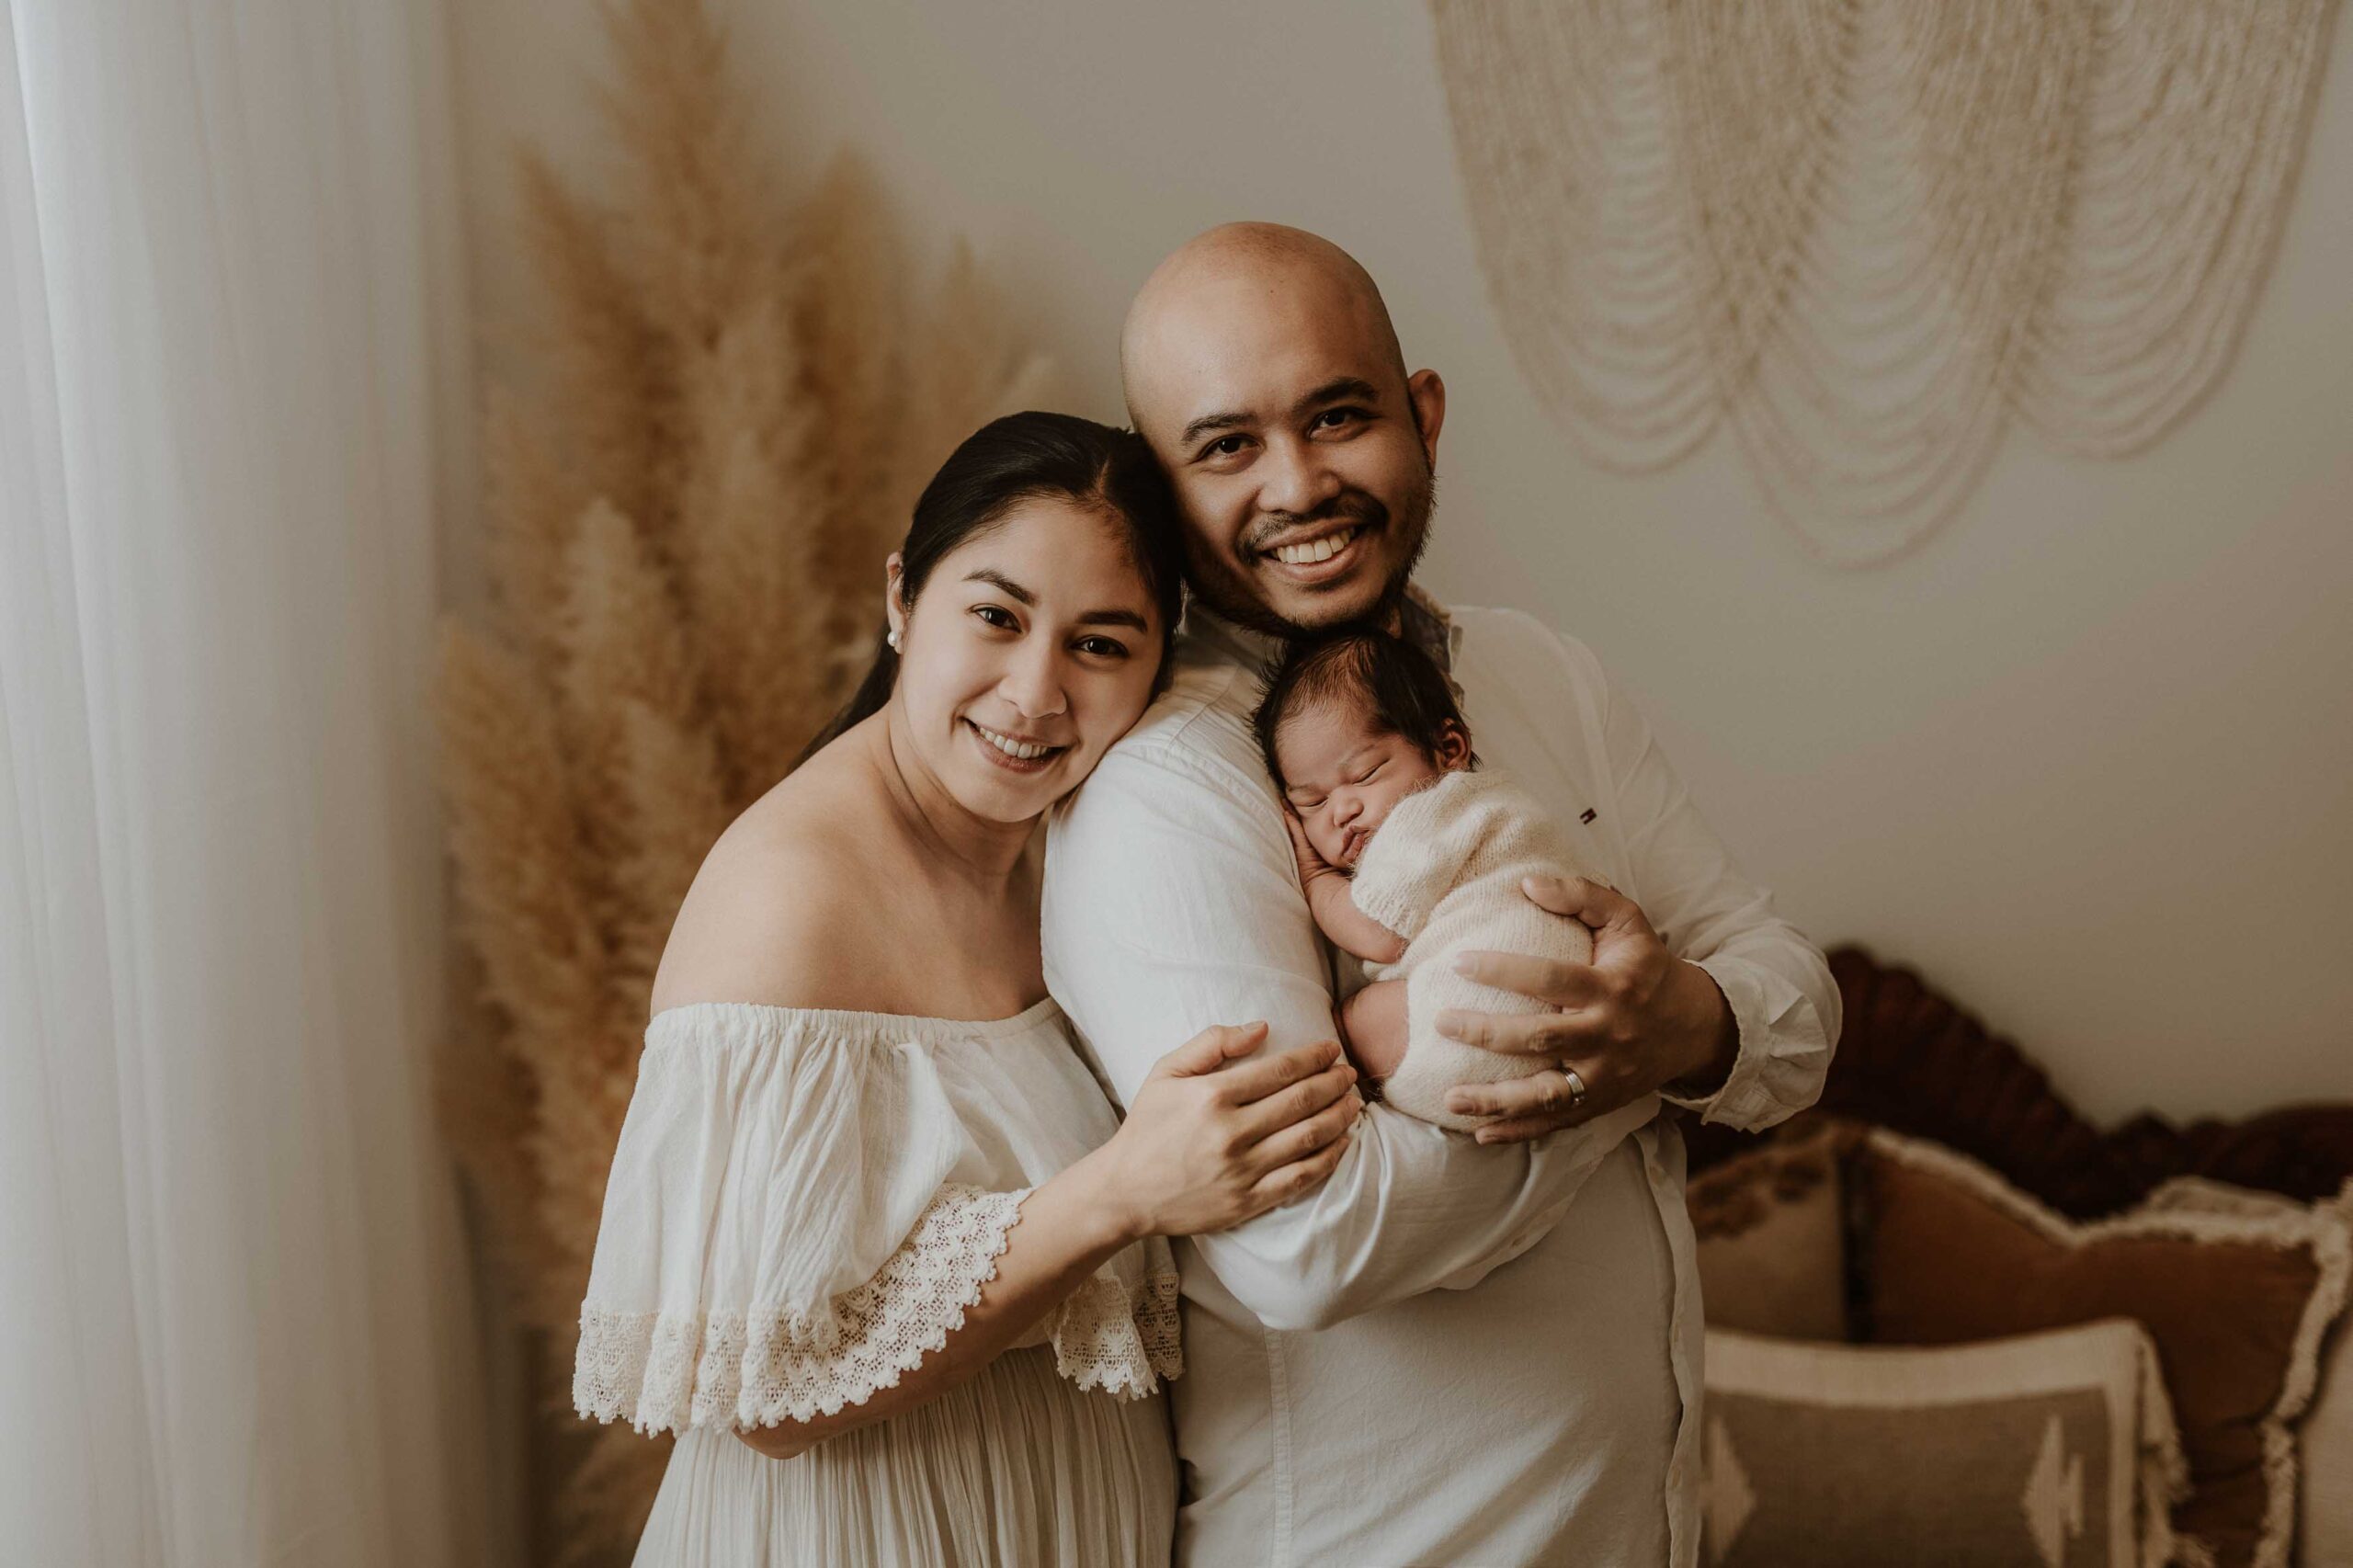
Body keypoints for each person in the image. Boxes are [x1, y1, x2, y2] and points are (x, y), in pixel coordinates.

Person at [1040, 224, 1841, 1566]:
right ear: (1162, 490)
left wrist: (1694, 1024)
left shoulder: (1542, 674)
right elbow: (1307, 1241)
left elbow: (1794, 1006)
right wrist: (1628, 1073)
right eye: (1227, 446)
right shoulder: (1171, 787)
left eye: (1338, 415)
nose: (1298, 484)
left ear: (1421, 417)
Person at [572, 411, 1364, 1566]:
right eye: (995, 616)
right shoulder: (789, 896)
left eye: (1100, 643)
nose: (1035, 692)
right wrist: (1119, 1191)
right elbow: (769, 1396)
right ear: (902, 597)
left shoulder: (1066, 853)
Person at [1255, 621, 1640, 1139]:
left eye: (1365, 774)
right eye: (1313, 803)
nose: (1342, 810)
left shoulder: (1425, 815)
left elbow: (1377, 933)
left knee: (1353, 1017)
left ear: (1448, 748)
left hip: (1474, 1030)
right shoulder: (1507, 805)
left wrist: (1315, 874)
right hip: (1575, 1026)